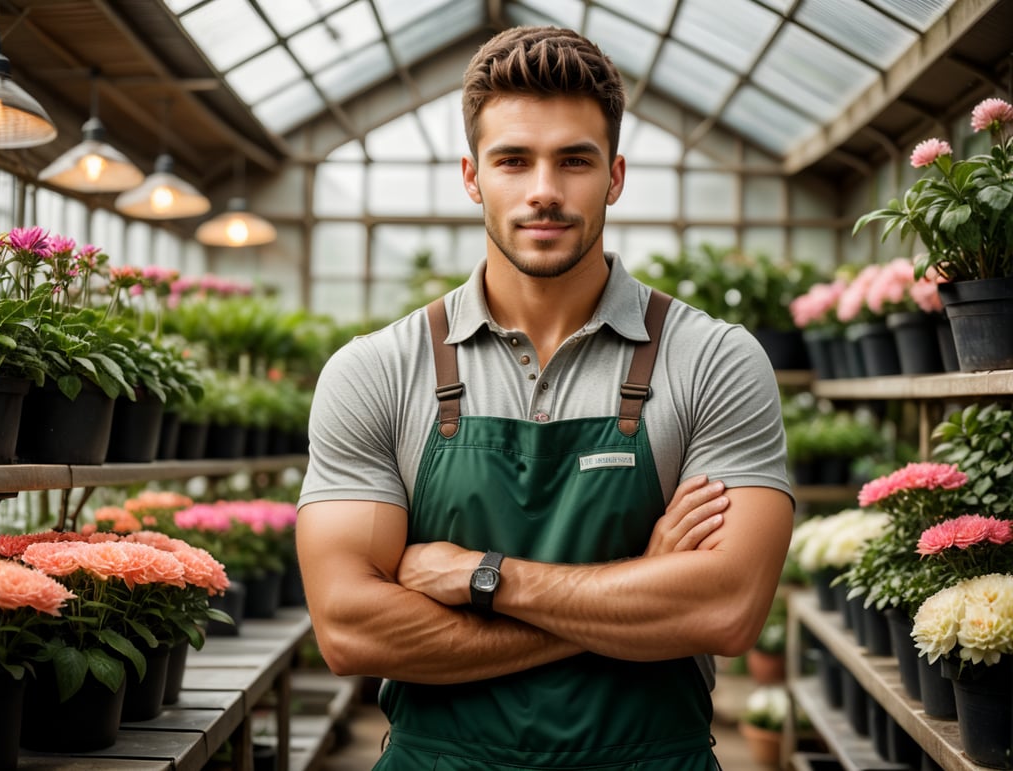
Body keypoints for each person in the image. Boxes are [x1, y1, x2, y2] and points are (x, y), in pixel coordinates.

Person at [297, 25, 794, 770]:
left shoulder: (713, 359)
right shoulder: (377, 370)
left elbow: (724, 609)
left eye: (574, 161)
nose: (544, 191)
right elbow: (350, 632)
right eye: (513, 160)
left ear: (615, 175)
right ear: (472, 176)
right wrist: (639, 591)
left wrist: (481, 576)